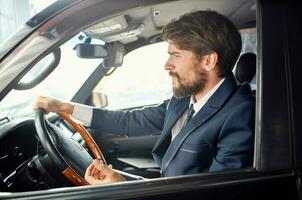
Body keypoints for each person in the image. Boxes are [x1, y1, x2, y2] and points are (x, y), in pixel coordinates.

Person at [33, 10, 255, 185]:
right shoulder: (185, 99)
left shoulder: (240, 113)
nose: (167, 65)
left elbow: (220, 193)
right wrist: (66, 107)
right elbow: (131, 121)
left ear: (208, 61)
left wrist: (119, 187)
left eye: (176, 56)